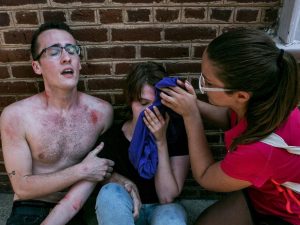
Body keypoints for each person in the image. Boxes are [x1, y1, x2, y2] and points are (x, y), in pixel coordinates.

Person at [0, 21, 139, 225]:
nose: (67, 58)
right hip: (29, 207)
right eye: (54, 51)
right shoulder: (16, 116)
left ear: (79, 62)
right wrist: (81, 170)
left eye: (72, 50)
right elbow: (22, 186)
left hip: (75, 209)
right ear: (37, 66)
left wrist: (122, 181)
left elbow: (98, 167)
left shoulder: (101, 113)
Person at [159, 28, 300, 225]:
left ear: (241, 95)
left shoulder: (260, 150)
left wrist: (190, 115)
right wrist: (192, 103)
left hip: (289, 213)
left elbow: (206, 175)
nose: (203, 86)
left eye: (207, 82)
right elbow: (229, 117)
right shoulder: (264, 101)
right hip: (265, 193)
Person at [95, 61, 190, 225]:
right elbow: (100, 177)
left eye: (156, 104)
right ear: (131, 102)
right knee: (109, 192)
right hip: (129, 209)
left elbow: (166, 197)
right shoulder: (114, 137)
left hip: (162, 209)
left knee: (171, 217)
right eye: (143, 103)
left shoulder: (175, 134)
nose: (150, 111)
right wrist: (125, 183)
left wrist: (160, 141)